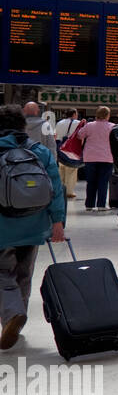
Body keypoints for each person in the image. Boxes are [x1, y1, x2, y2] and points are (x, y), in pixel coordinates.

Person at [0, 104, 67, 350]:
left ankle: (11, 315)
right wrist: (58, 222)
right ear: (22, 125)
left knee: (2, 273)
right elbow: (56, 188)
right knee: (24, 273)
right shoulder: (39, 150)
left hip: (3, 226)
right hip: (35, 223)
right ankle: (18, 318)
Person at [76, 107, 115, 212]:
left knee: (91, 181)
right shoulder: (112, 127)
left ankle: (89, 204)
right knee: (103, 181)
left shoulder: (90, 125)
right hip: (107, 157)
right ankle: (101, 205)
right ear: (107, 115)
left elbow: (79, 135)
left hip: (90, 157)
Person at [53, 109, 81, 202]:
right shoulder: (78, 123)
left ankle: (61, 189)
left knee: (61, 168)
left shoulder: (59, 123)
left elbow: (56, 136)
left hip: (60, 148)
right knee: (71, 170)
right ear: (74, 114)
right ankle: (69, 191)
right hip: (71, 149)